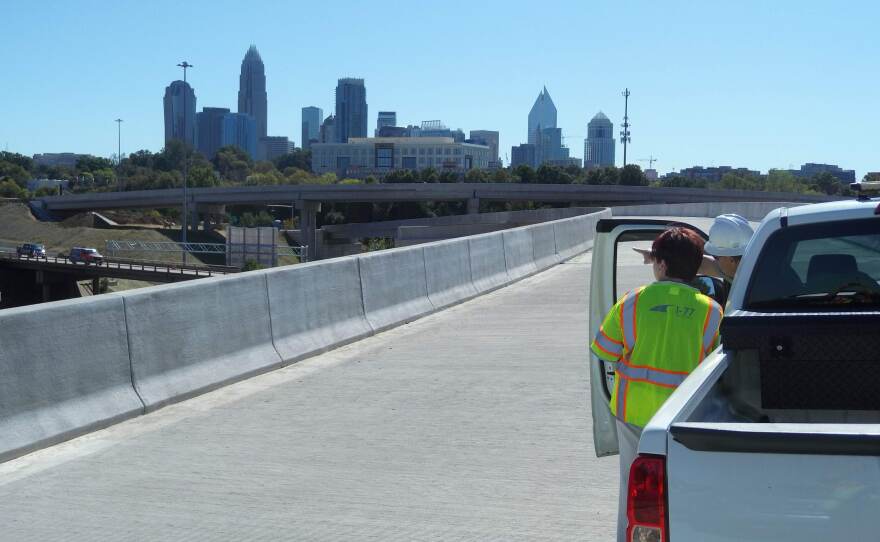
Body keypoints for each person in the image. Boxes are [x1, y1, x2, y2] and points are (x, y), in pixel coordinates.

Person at [590, 226, 723, 542]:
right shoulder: (712, 312)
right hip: (684, 418)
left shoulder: (633, 302)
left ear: (661, 265)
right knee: (681, 488)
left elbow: (604, 349)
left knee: (633, 488)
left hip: (634, 413)